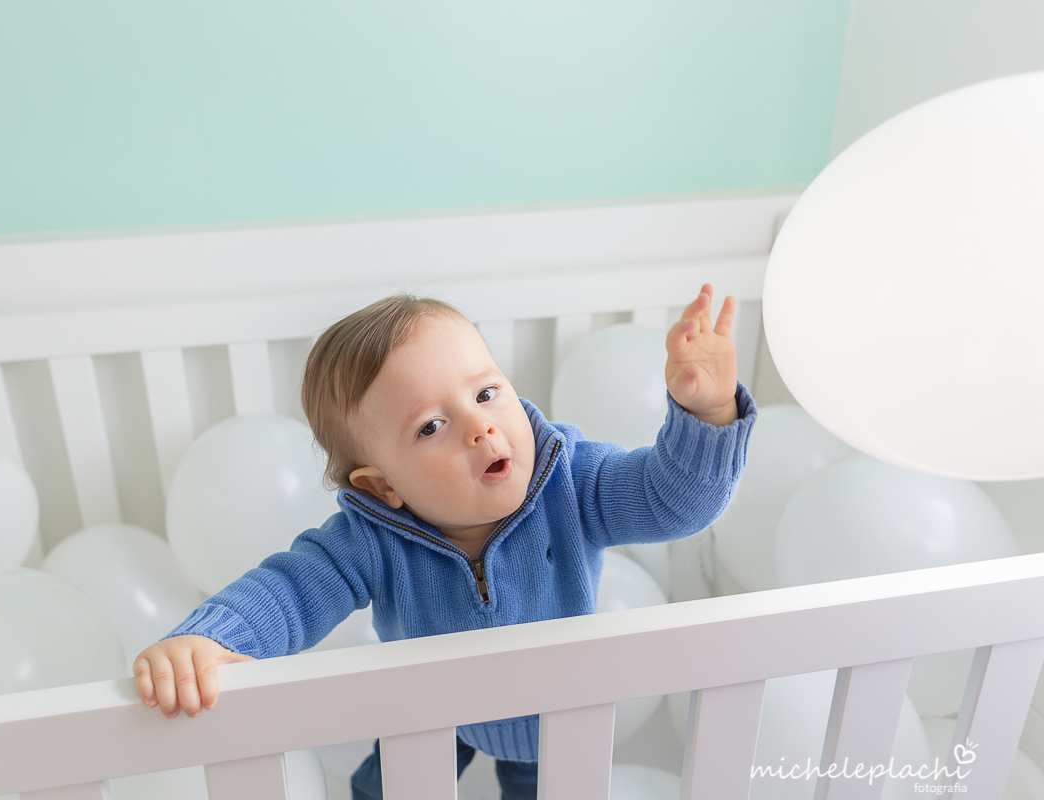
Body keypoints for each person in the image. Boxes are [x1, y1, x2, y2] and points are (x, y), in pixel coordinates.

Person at [134, 284, 757, 799]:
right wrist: (212, 639)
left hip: (550, 720)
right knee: (384, 788)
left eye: (486, 393)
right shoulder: (370, 539)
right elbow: (288, 592)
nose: (480, 426)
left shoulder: (570, 481)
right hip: (429, 712)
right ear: (383, 485)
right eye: (431, 426)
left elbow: (673, 501)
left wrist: (708, 414)